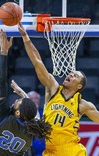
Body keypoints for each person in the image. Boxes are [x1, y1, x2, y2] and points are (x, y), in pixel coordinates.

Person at [18, 23, 99, 156]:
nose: (70, 75)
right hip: (51, 150)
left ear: (79, 86)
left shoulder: (82, 105)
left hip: (71, 150)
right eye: (71, 73)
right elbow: (37, 62)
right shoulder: (53, 88)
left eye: (75, 76)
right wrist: (26, 37)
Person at [0, 29, 52, 156]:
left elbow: (1, 81)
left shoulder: (2, 117)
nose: (16, 100)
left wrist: (3, 52)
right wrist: (24, 96)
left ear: (17, 112)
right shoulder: (32, 131)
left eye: (18, 101)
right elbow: (33, 116)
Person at [11, 81, 45, 156]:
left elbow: (35, 115)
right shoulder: (13, 119)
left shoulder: (36, 119)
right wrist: (22, 93)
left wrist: (22, 93)